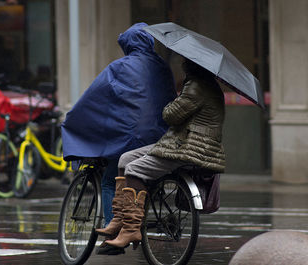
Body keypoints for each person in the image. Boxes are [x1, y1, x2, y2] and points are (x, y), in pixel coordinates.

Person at [61, 23, 176, 254]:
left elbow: (94, 97)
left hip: (131, 138)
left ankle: (112, 230)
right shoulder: (162, 67)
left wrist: (73, 120)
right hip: (160, 136)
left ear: (127, 44)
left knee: (108, 178)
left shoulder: (120, 67)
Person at [96, 58, 226, 250]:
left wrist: (170, 102)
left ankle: (131, 229)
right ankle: (120, 218)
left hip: (188, 148)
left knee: (134, 169)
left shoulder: (197, 86)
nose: (182, 65)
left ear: (192, 66)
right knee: (125, 159)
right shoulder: (207, 85)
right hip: (185, 144)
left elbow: (171, 115)